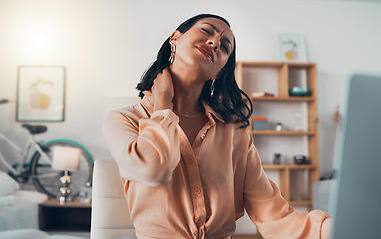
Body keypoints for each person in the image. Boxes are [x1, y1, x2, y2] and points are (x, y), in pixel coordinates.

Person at [102, 14, 332, 239]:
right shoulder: (123, 120)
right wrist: (163, 105)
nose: (214, 43)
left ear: (220, 70)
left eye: (225, 46)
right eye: (206, 31)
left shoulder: (234, 132)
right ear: (175, 38)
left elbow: (275, 217)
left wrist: (332, 228)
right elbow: (153, 170)